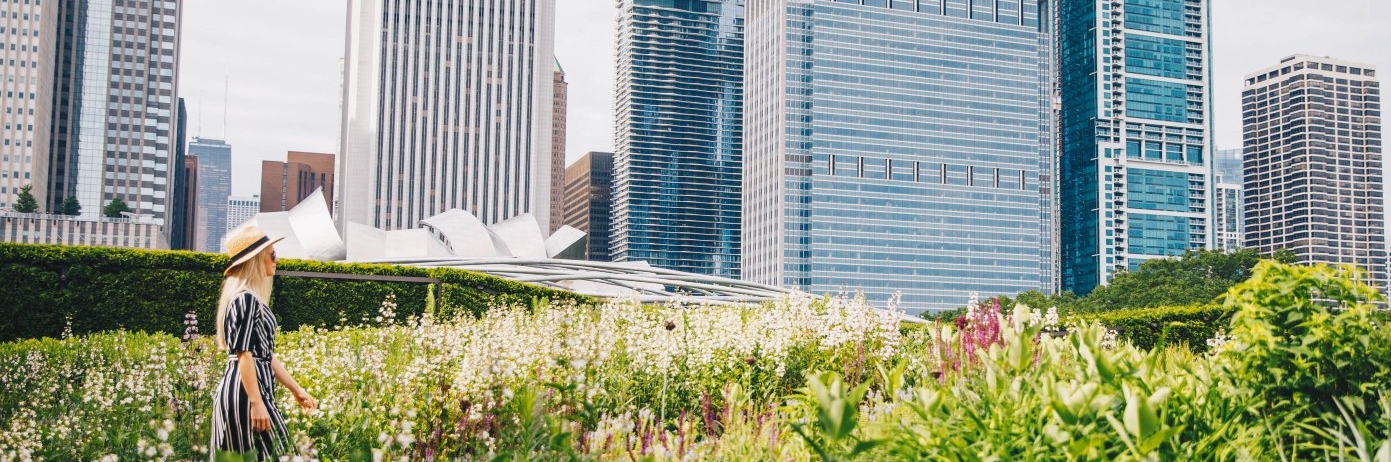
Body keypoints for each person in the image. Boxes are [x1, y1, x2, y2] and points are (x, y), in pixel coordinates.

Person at [210, 225, 316, 460]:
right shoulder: (246, 300)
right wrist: (257, 403)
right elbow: (244, 354)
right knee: (277, 453)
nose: (276, 260)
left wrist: (296, 389)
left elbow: (265, 355)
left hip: (251, 389)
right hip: (246, 392)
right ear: (257, 259)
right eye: (272, 254)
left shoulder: (250, 299)